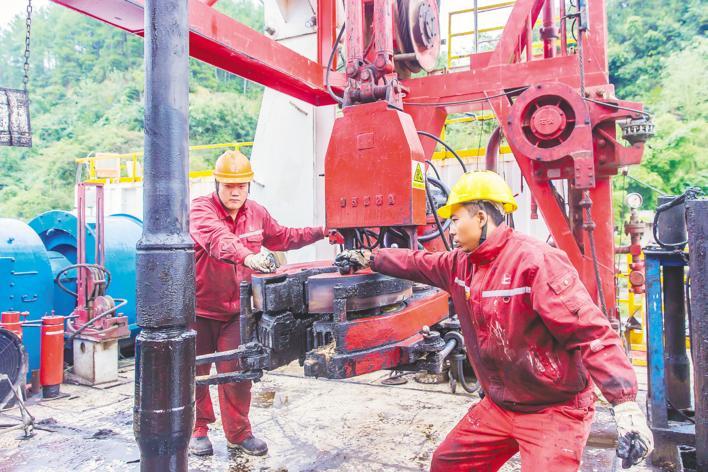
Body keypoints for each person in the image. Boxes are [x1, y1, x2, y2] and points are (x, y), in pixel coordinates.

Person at [335, 170, 653, 471]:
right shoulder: (461, 264)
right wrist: (370, 257)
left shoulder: (536, 262)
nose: (450, 230)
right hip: (501, 405)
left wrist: (625, 405)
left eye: (455, 220)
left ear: (481, 218)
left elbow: (591, 333)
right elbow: (419, 262)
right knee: (447, 463)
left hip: (554, 409)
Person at [189, 150, 327, 457]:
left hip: (237, 313)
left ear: (249, 185)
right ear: (216, 184)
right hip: (199, 311)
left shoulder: (256, 212)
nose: (235, 192)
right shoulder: (200, 210)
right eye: (229, 185)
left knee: (238, 373)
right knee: (196, 372)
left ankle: (238, 434)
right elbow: (218, 239)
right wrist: (248, 257)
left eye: (241, 185)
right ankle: (198, 429)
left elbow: (282, 237)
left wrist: (322, 231)